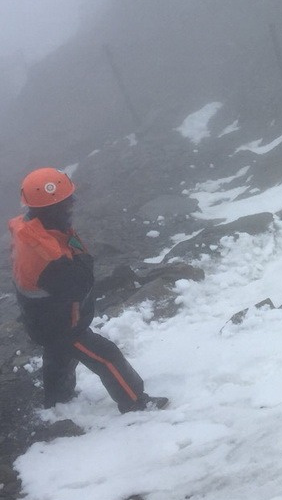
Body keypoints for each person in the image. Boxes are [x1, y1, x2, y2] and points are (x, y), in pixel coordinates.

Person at [9, 168, 167, 413]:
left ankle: (56, 403)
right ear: (50, 208)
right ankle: (135, 402)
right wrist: (82, 257)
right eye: (65, 202)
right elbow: (80, 283)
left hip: (44, 323)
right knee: (107, 357)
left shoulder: (34, 230)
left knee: (58, 358)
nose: (72, 204)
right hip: (63, 326)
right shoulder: (46, 254)